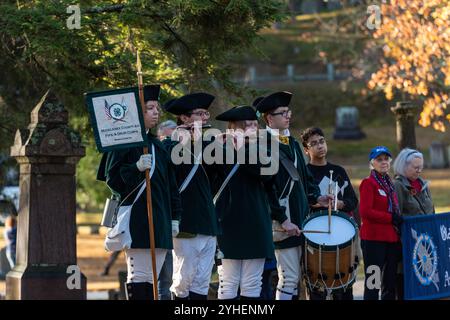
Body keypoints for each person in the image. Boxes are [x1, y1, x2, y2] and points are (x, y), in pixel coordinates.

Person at [97, 84, 182, 300]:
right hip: (138, 220)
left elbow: (170, 186)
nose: (156, 112)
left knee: (155, 280)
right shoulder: (124, 141)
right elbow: (113, 179)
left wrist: (174, 217)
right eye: (150, 108)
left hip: (160, 220)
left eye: (156, 108)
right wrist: (135, 168)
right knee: (139, 277)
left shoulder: (158, 145)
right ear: (137, 112)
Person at [255, 92, 331, 300]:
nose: (288, 116)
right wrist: (282, 218)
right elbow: (265, 190)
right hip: (282, 221)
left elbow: (305, 178)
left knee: (303, 276)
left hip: (301, 219)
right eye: (282, 113)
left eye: (288, 112)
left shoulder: (293, 143)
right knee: (288, 277)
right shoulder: (263, 146)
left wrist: (317, 198)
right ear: (269, 118)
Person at [214, 105, 279, 300]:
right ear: (235, 129)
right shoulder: (219, 152)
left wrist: (243, 149)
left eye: (254, 124)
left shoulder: (263, 150)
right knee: (228, 282)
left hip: (256, 220)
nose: (254, 128)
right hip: (228, 221)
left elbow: (267, 176)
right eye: (248, 125)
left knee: (252, 283)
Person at [163, 93, 220, 300]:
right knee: (183, 280)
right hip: (186, 220)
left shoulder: (209, 144)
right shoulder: (170, 145)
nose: (205, 118)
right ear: (185, 119)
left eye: (206, 113)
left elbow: (218, 175)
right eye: (199, 114)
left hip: (207, 220)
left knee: (202, 281)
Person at [301, 127, 359, 300]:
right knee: (316, 283)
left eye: (322, 141)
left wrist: (341, 203)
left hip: (340, 231)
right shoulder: (304, 173)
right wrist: (316, 202)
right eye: (314, 144)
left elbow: (353, 201)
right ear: (306, 150)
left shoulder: (339, 171)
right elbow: (300, 202)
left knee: (343, 284)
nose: (320, 146)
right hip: (315, 232)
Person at [359, 146, 402, 300]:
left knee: (389, 283)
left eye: (386, 159)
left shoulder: (390, 184)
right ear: (372, 163)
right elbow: (365, 212)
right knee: (373, 283)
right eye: (379, 159)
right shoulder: (368, 183)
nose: (383, 162)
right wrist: (390, 218)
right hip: (373, 241)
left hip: (391, 240)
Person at [393, 148, 435, 300]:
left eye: (421, 167)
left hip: (426, 243)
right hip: (409, 244)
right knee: (406, 284)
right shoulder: (398, 185)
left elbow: (432, 211)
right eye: (415, 167)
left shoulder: (423, 184)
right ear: (404, 166)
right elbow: (397, 216)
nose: (419, 171)